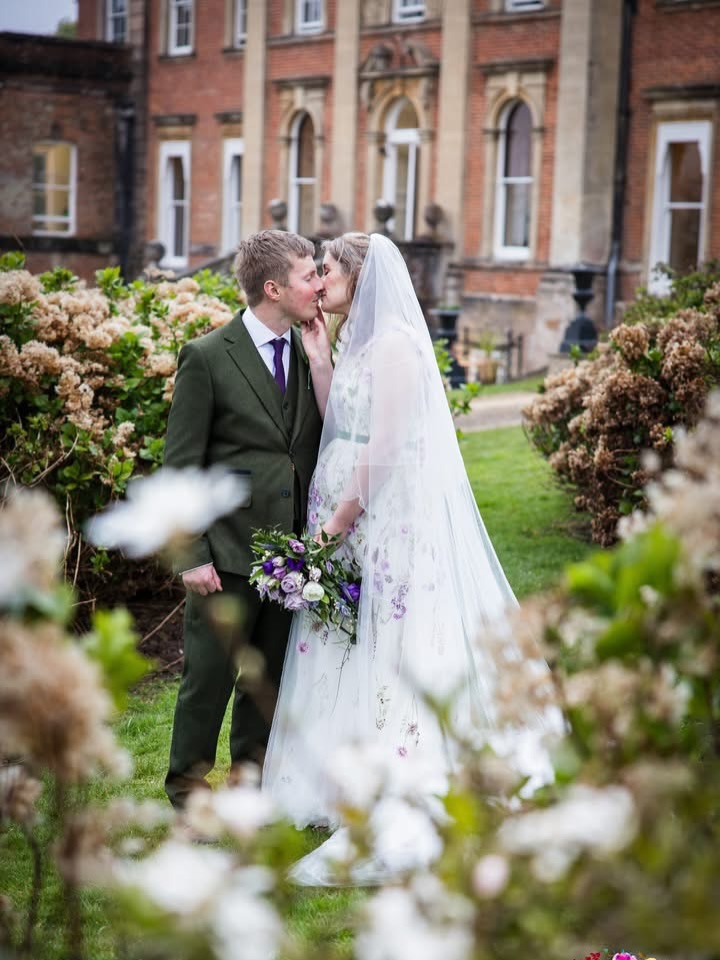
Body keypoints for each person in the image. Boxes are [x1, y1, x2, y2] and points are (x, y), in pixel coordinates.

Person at [262, 233, 560, 884]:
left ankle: (401, 773)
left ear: (360, 277)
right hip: (346, 510)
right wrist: (318, 363)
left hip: (379, 516)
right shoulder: (351, 341)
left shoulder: (395, 342)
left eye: (329, 270)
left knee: (385, 636)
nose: (320, 281)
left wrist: (338, 524)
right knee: (343, 635)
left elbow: (389, 444)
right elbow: (346, 422)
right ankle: (333, 777)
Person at [163, 230, 333, 810]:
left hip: (290, 556)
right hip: (226, 553)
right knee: (208, 682)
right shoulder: (208, 357)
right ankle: (187, 797)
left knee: (266, 685)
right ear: (272, 287)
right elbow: (180, 466)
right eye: (309, 275)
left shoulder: (312, 348)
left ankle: (248, 792)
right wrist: (192, 555)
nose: (320, 284)